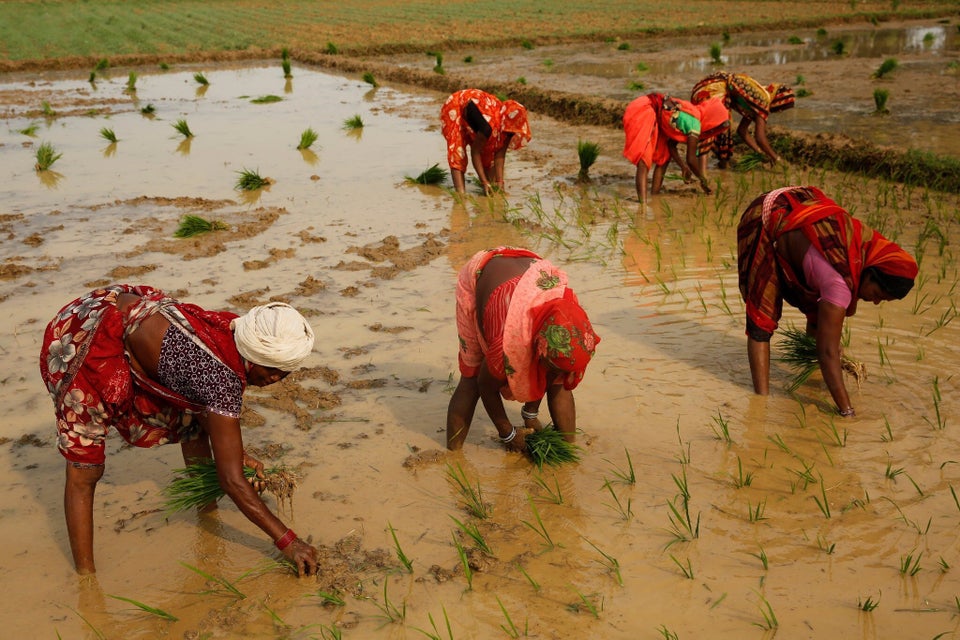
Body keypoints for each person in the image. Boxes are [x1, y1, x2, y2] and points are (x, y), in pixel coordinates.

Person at [39, 284, 320, 576]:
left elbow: (202, 398)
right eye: (272, 369)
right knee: (86, 470)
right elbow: (232, 481)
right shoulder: (222, 380)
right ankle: (86, 578)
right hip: (85, 339)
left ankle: (207, 520)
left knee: (192, 426)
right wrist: (289, 541)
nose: (276, 379)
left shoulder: (233, 331)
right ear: (254, 353)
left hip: (125, 314)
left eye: (284, 373)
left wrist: (237, 452)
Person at [737, 186, 918, 416]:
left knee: (817, 312)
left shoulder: (862, 247)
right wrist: (847, 410)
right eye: (878, 295)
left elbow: (825, 338)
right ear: (870, 272)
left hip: (799, 207)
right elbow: (828, 352)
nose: (874, 302)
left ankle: (809, 376)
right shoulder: (839, 282)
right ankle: (760, 401)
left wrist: (829, 351)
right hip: (767, 217)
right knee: (762, 319)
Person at [446, 247, 600, 452]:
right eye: (549, 364)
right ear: (538, 347)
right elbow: (486, 386)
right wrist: (507, 433)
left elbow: (549, 370)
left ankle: (569, 452)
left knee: (559, 380)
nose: (555, 373)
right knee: (471, 378)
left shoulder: (569, 316)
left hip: (528, 272)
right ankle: (452, 456)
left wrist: (531, 414)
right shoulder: (507, 345)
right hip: (483, 273)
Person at [691, 71, 795, 166]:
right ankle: (703, 172)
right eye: (782, 108)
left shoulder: (754, 100)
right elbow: (760, 138)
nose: (779, 111)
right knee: (717, 130)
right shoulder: (763, 101)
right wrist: (776, 158)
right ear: (778, 100)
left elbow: (742, 131)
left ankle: (721, 163)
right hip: (712, 90)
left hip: (705, 87)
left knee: (721, 130)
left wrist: (760, 153)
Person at [440, 89, 532, 195]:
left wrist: (500, 182)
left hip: (479, 115)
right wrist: (484, 182)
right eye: (509, 131)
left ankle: (489, 185)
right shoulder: (487, 127)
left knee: (491, 174)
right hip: (457, 105)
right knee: (458, 150)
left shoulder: (507, 127)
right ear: (504, 122)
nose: (509, 134)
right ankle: (460, 194)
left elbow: (500, 154)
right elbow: (475, 152)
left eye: (511, 132)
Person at [658, 95, 730, 195]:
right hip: (657, 115)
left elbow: (671, 144)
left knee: (663, 159)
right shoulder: (694, 124)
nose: (712, 130)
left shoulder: (693, 114)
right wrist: (704, 181)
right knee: (654, 161)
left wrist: (683, 167)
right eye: (715, 126)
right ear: (712, 119)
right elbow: (691, 160)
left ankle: (654, 197)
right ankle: (647, 200)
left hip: (662, 112)